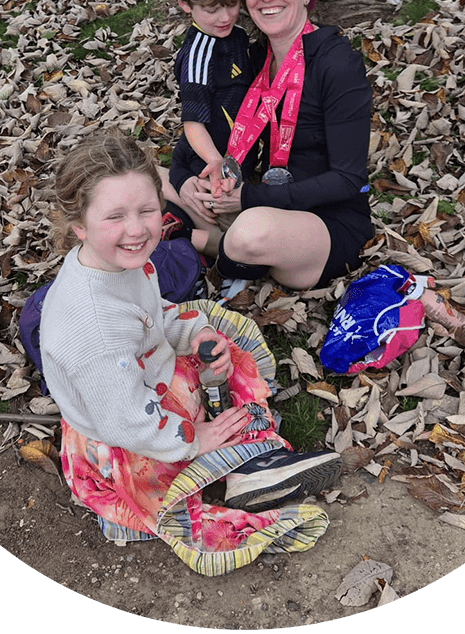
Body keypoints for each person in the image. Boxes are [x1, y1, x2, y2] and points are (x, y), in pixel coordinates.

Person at [39, 128, 339, 575]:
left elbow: (150, 317)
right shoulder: (94, 327)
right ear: (79, 226)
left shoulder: (112, 262)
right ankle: (242, 463)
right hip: (129, 437)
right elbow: (125, 420)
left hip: (137, 382)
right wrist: (193, 439)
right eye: (115, 216)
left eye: (147, 210)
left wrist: (195, 336)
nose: (137, 229)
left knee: (218, 339)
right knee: (209, 409)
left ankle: (244, 459)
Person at [170, 0, 374, 292]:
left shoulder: (338, 64)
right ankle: (200, 238)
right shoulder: (253, 57)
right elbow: (202, 125)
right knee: (145, 178)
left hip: (324, 225)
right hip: (265, 205)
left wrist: (247, 198)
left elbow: (348, 179)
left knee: (249, 233)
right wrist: (183, 179)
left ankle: (193, 242)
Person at [161, 0, 258, 253]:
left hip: (236, 159)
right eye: (212, 8)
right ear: (185, 4)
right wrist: (215, 160)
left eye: (232, 3)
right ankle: (182, 234)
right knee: (235, 237)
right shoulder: (200, 54)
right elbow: (193, 122)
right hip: (206, 164)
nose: (225, 16)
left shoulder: (236, 34)